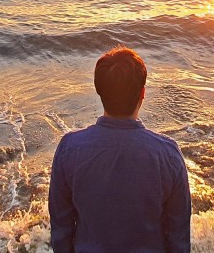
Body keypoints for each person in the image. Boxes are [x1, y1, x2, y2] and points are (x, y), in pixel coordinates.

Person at [48, 46, 191, 253]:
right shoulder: (167, 155)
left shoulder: (70, 150)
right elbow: (179, 238)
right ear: (143, 93)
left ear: (99, 90)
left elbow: (61, 231)